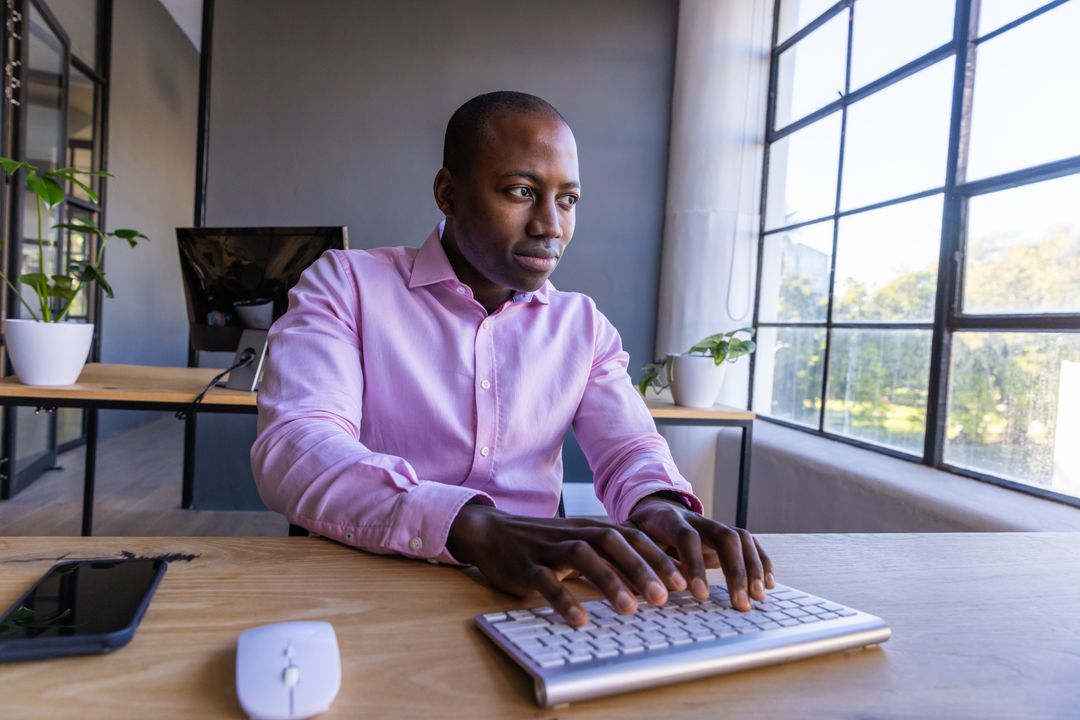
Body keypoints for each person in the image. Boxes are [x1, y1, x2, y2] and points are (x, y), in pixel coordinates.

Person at [251, 91, 774, 626]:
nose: (549, 225)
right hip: (362, 583)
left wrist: (658, 504)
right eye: (522, 191)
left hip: (537, 595)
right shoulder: (348, 285)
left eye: (567, 199)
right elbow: (296, 446)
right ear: (448, 193)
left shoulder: (583, 326)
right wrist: (474, 526)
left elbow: (630, 449)